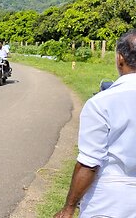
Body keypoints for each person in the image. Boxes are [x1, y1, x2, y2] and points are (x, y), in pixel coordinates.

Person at [54, 29, 136, 218]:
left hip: (109, 202)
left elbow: (89, 164)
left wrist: (69, 208)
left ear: (120, 58)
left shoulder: (102, 103)